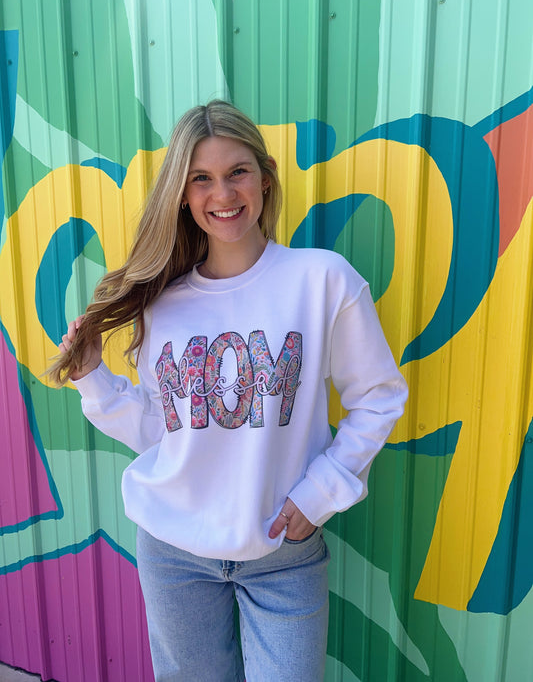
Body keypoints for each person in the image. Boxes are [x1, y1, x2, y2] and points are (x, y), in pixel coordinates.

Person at [51, 100, 408, 682]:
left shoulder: (322, 279)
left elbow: (379, 396)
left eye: (237, 171)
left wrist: (319, 494)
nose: (222, 193)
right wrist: (93, 377)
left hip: (282, 551)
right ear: (182, 195)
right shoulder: (163, 304)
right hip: (173, 553)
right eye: (201, 178)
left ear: (265, 177)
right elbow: (162, 432)